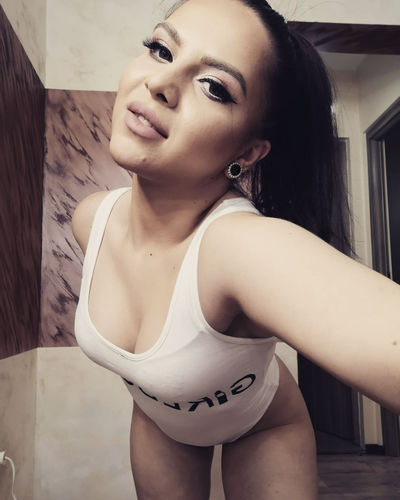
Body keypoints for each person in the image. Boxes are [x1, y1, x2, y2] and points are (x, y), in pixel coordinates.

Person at [71, 0, 400, 498]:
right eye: (161, 49)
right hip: (159, 420)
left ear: (247, 152)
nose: (160, 83)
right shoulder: (89, 219)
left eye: (214, 86)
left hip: (261, 426)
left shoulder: (240, 248)